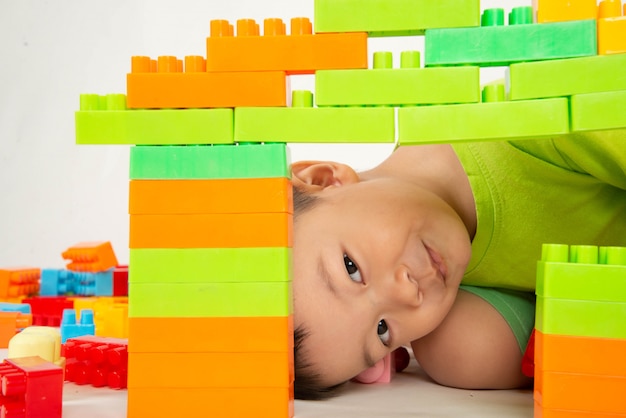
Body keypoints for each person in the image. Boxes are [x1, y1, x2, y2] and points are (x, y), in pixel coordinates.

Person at [291, 129, 626, 400]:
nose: (408, 294)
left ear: (323, 180)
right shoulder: (439, 258)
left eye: (352, 269)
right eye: (383, 330)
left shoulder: (523, 129)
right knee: (456, 349)